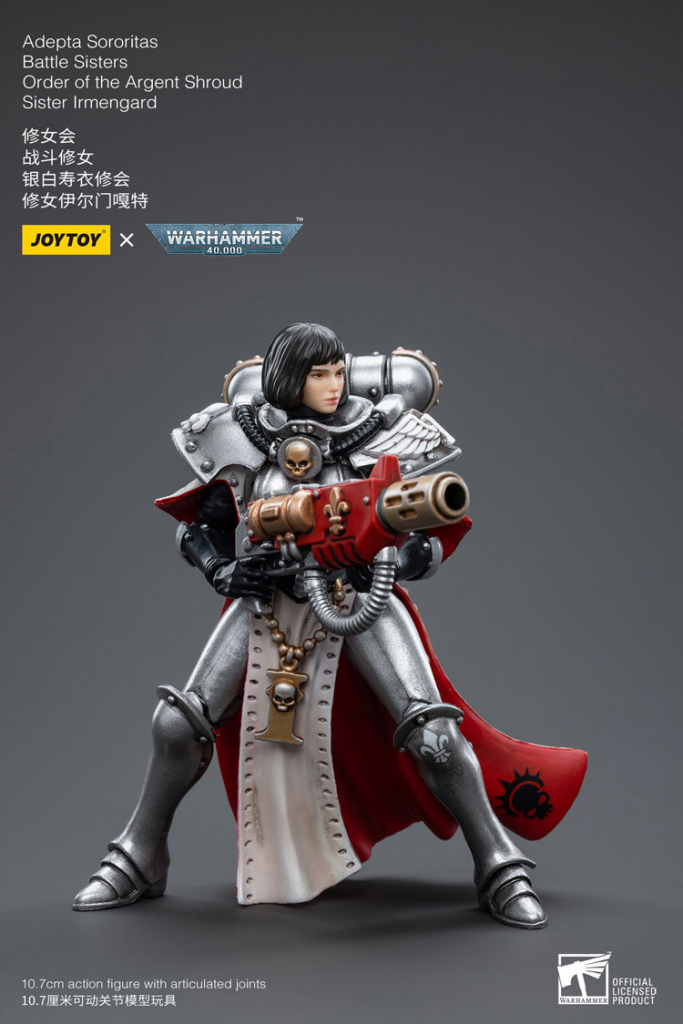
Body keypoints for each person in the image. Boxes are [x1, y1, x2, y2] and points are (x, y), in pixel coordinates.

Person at [73, 322, 586, 927]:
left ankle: (499, 863)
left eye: (339, 371)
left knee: (433, 733)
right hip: (267, 600)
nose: (335, 384)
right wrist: (223, 570)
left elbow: (432, 534)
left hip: (359, 598)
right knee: (177, 724)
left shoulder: (382, 432)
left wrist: (393, 562)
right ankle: (141, 853)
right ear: (290, 378)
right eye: (320, 374)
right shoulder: (242, 435)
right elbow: (198, 526)